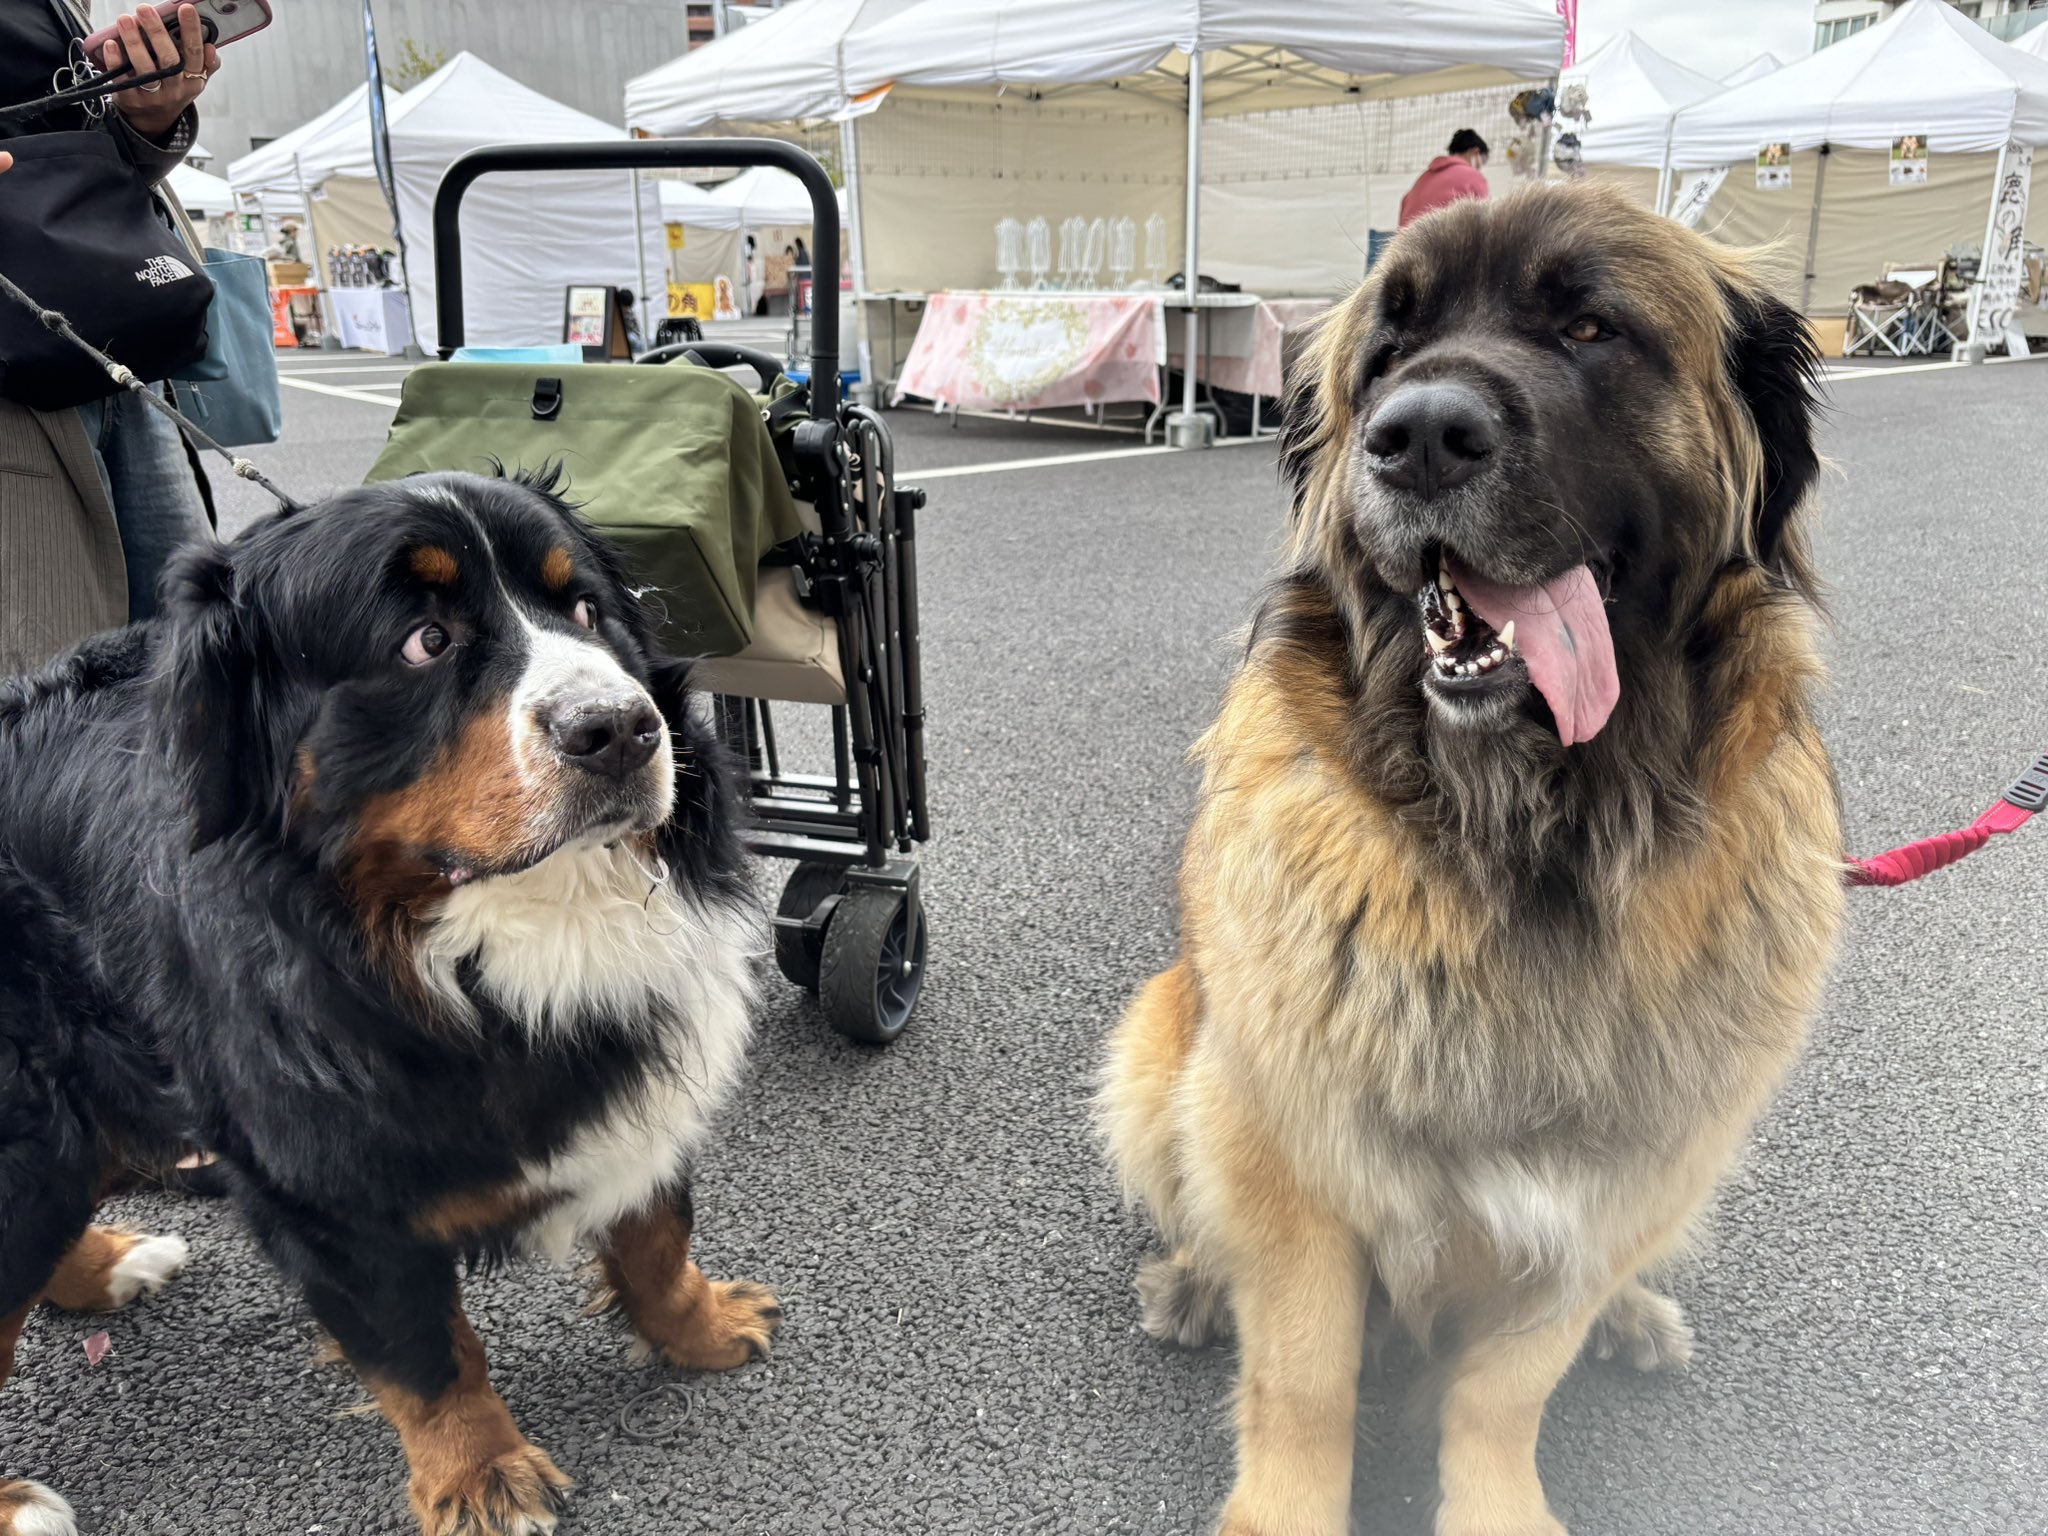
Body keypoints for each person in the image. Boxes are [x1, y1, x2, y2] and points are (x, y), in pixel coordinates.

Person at [0, 3, 222, 632]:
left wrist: (148, 118)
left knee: (189, 642)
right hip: (17, 377)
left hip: (115, 355)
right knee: (44, 662)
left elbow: (77, 170)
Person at [1398, 128, 1490, 228]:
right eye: (1482, 162)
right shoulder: (1474, 176)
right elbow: (1485, 220)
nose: (1479, 168)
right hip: (1444, 236)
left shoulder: (1424, 177)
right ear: (1476, 153)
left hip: (1408, 236)